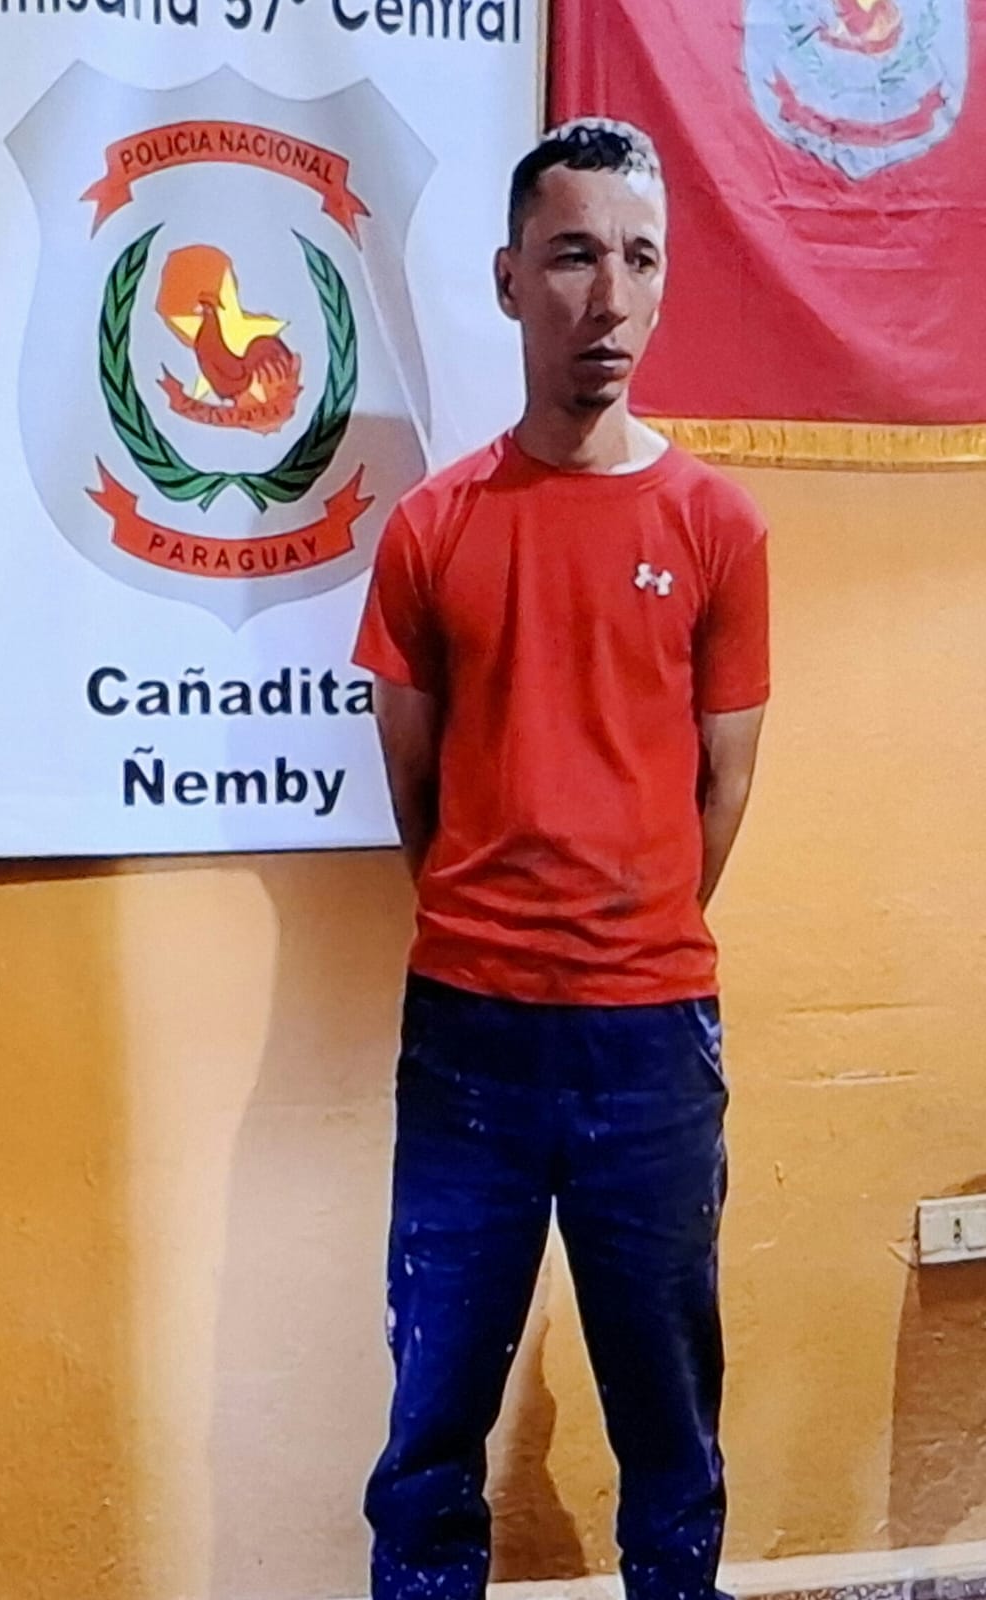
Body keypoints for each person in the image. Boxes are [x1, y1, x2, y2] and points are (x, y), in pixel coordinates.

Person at [351, 119, 770, 1600]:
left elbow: (722, 785)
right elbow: (415, 787)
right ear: (509, 279)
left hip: (651, 1045)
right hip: (468, 1042)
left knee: (670, 1431)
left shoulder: (719, 528)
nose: (609, 295)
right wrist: (504, 925)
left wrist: (626, 928)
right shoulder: (431, 529)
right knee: (431, 1434)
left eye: (639, 259)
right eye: (575, 255)